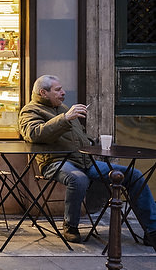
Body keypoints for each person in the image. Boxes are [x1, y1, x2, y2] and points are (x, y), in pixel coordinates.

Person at [19, 74, 156, 248]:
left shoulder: (63, 108)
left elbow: (78, 138)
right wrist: (65, 118)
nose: (63, 92)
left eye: (62, 88)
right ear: (43, 93)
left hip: (85, 162)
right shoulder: (31, 111)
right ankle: (71, 225)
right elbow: (33, 134)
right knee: (78, 178)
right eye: (58, 90)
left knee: (133, 175)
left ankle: (152, 231)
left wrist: (94, 144)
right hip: (55, 162)